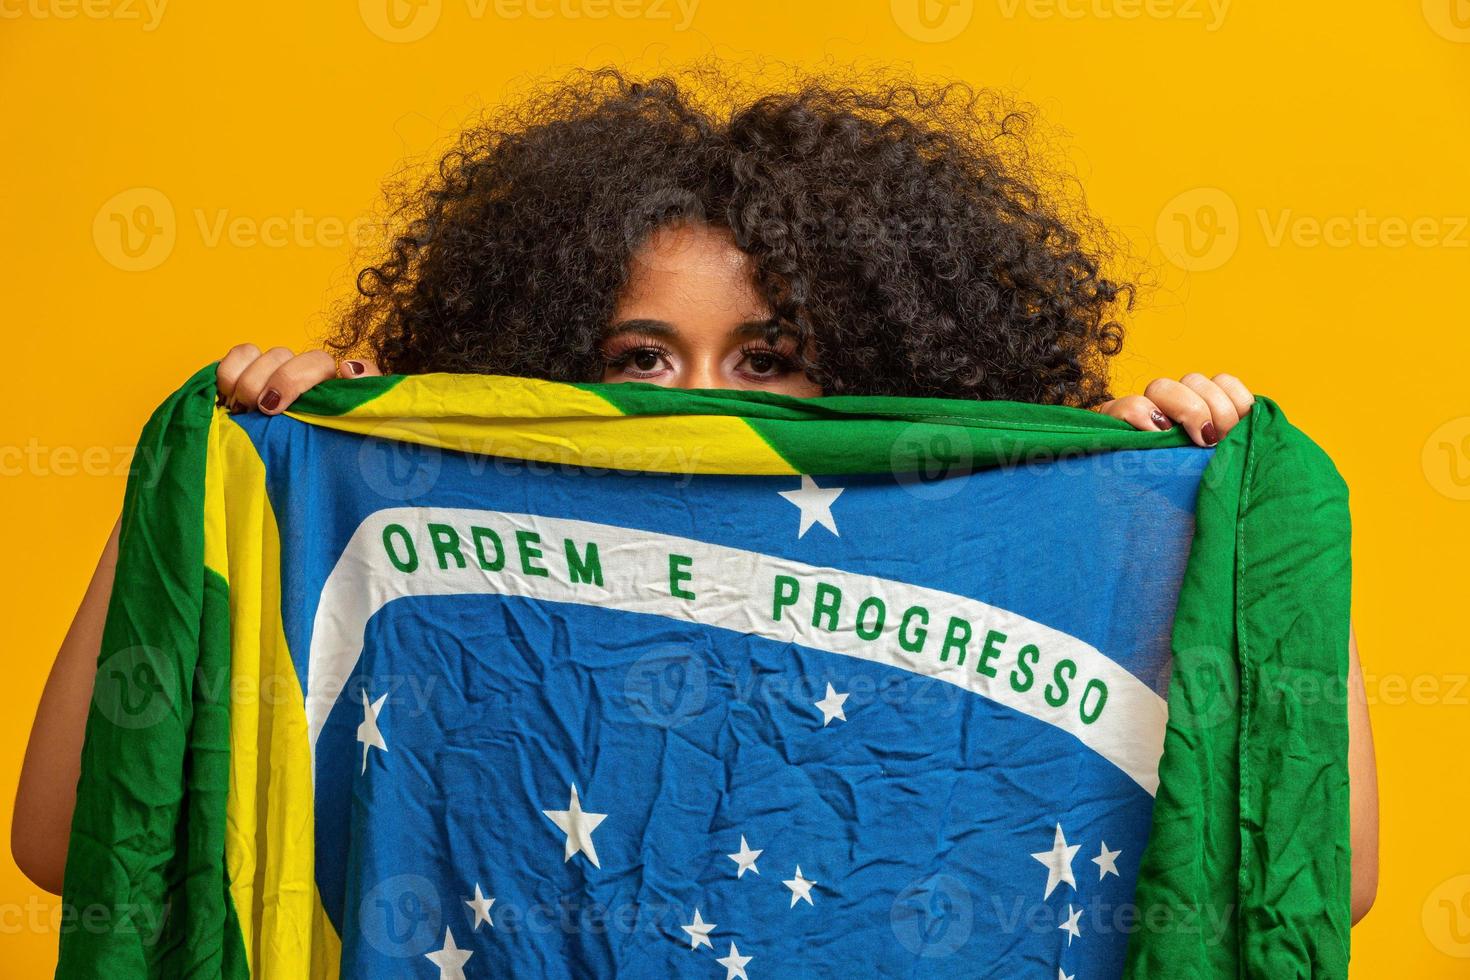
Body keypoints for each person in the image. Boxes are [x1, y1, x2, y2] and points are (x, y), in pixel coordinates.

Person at [12, 67, 1378, 925]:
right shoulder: (426, 567)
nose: (696, 397)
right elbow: (72, 839)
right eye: (639, 357)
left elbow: (1330, 873)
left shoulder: (1033, 538)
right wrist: (218, 496)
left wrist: (1212, 532)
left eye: (770, 359)